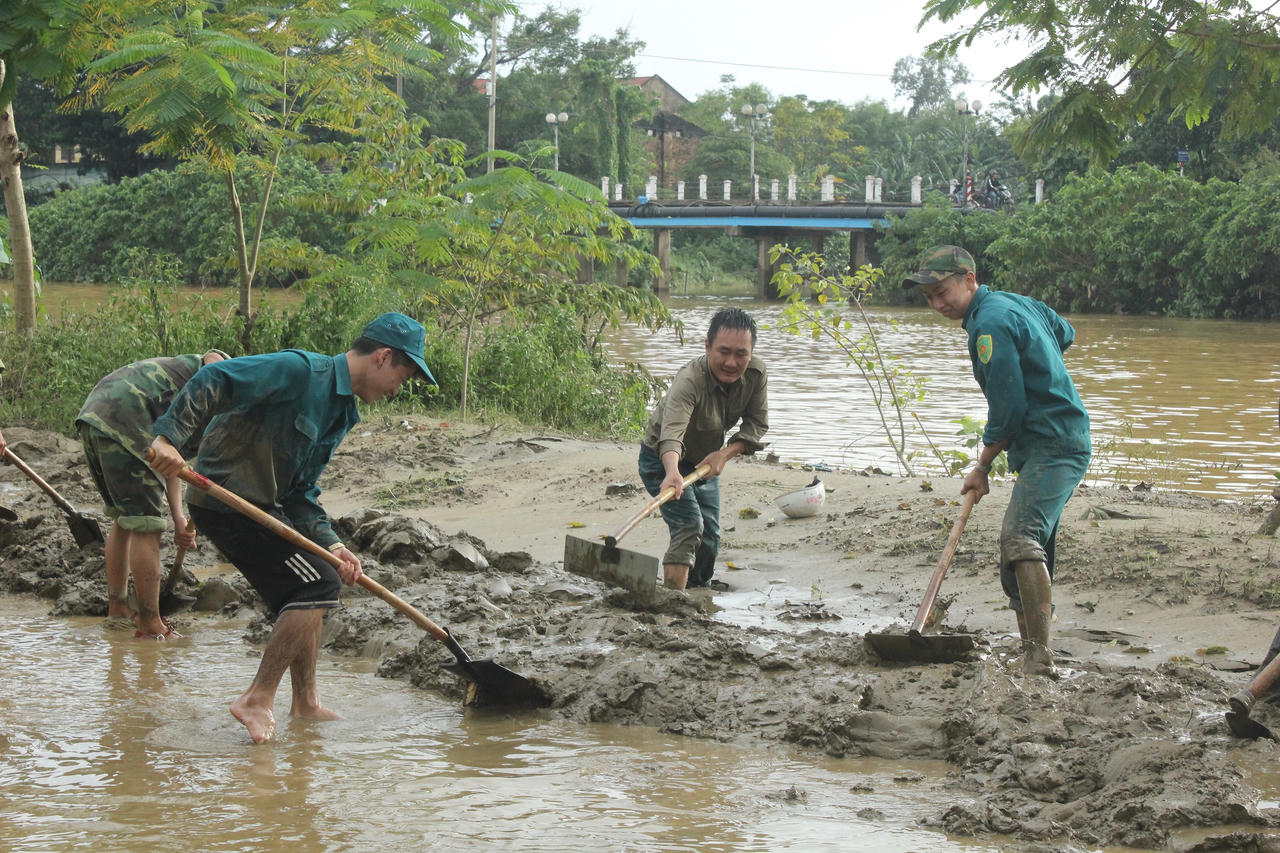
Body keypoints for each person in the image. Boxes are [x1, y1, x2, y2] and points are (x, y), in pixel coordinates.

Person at [148, 313, 435, 744]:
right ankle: (257, 699)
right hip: (225, 501)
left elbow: (301, 491)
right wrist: (167, 438)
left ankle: (306, 702)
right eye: (402, 376)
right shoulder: (299, 371)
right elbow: (218, 376)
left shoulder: (342, 413)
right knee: (316, 587)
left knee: (320, 573)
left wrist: (332, 544)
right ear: (383, 356)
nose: (398, 389)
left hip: (265, 507)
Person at [903, 246, 1090, 676]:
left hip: (1055, 444)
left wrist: (982, 465)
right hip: (1054, 440)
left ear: (970, 279)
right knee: (1026, 547)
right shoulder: (1017, 304)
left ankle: (1040, 658)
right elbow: (1064, 332)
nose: (937, 304)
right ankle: (1030, 647)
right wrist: (1044, 368)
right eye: (929, 296)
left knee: (1020, 538)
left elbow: (1008, 410)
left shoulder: (988, 324)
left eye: (943, 291)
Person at [76, 349, 230, 639]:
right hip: (128, 419)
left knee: (127, 517)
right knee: (146, 524)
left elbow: (173, 461)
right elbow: (214, 360)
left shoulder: (209, 396)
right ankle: (149, 624)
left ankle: (118, 606)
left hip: (96, 415)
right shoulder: (225, 378)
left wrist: (179, 518)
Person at [638, 307, 769, 592]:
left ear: (751, 352)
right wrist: (671, 472)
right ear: (708, 347)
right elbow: (671, 435)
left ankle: (697, 591)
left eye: (741, 354)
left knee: (710, 536)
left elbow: (756, 425)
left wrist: (724, 454)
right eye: (723, 352)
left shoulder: (756, 375)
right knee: (689, 525)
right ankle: (672, 599)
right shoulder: (690, 380)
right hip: (661, 460)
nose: (731, 362)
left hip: (705, 462)